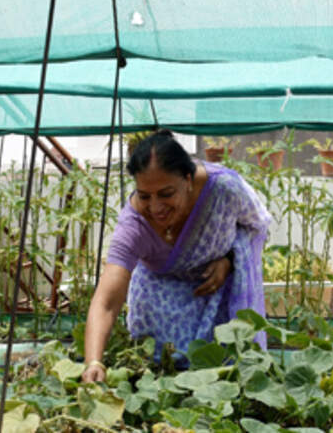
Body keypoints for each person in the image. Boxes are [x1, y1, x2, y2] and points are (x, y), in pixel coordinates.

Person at [81, 130, 272, 383]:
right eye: (144, 196)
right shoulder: (134, 225)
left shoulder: (223, 191)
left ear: (189, 179)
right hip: (159, 310)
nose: (156, 207)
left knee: (222, 377)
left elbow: (257, 225)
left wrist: (229, 260)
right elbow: (106, 300)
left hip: (214, 300)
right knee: (159, 379)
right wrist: (93, 362)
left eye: (166, 194)